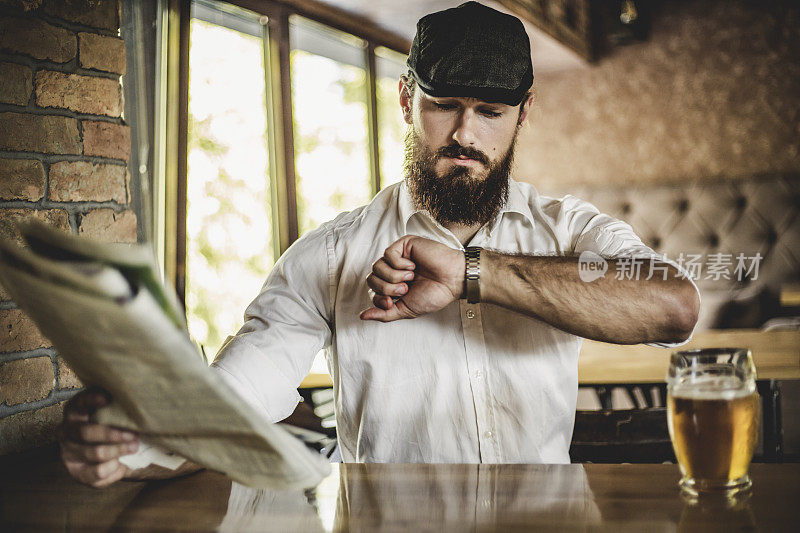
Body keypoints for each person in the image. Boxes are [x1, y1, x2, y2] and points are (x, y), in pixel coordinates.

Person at [58, 1, 700, 487]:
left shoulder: (568, 229)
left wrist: (471, 272)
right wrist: (133, 441)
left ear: (523, 113)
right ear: (405, 98)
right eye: (444, 105)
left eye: (492, 113)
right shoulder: (328, 256)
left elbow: (672, 308)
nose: (465, 136)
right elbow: (237, 397)